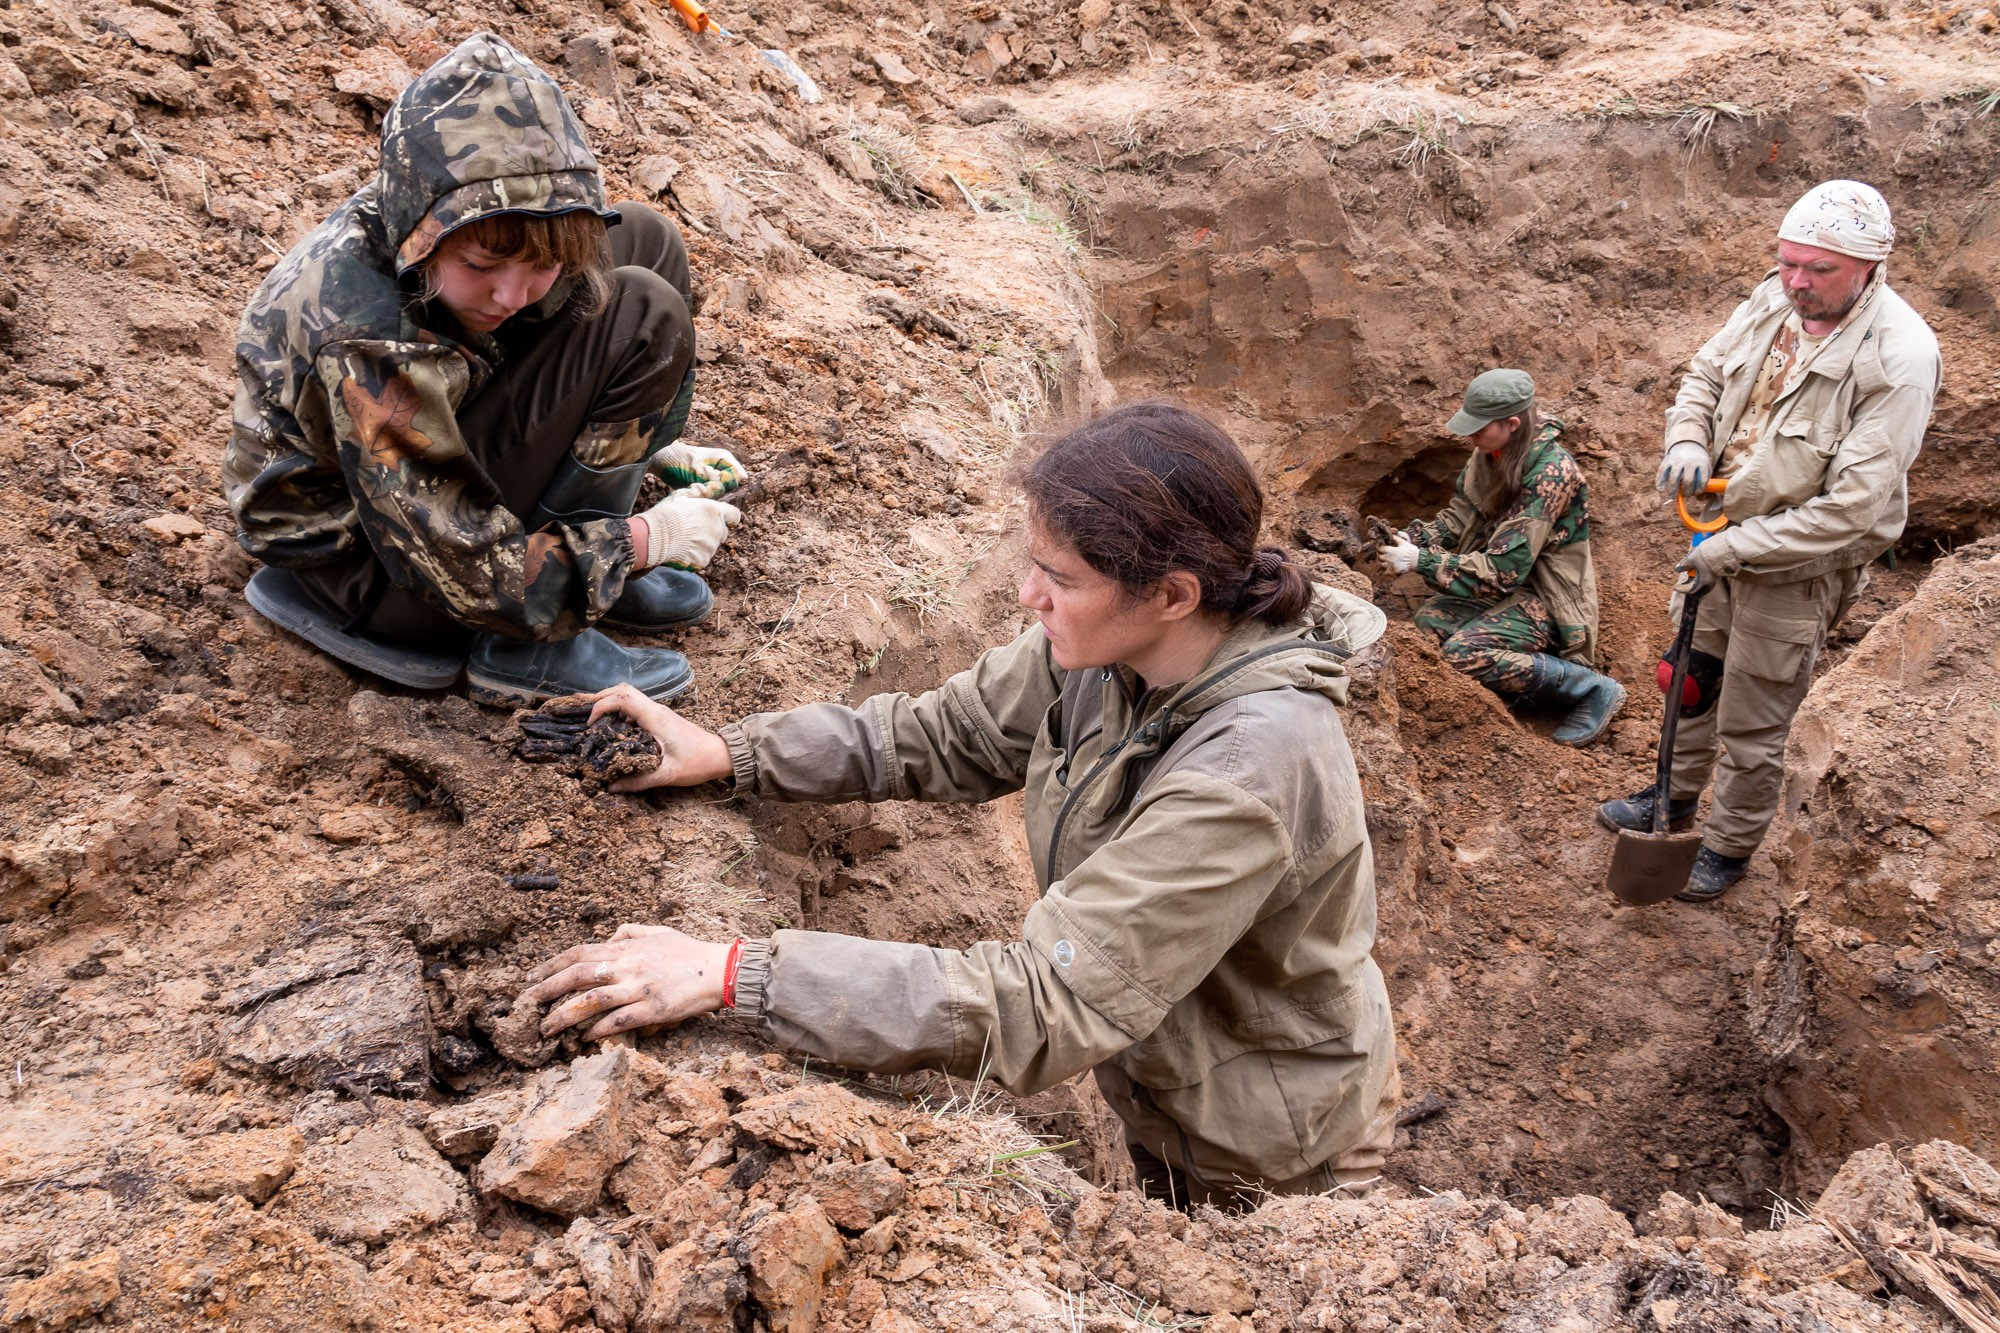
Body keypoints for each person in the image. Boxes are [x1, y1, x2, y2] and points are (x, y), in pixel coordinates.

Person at [520, 403, 1402, 1212]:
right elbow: (950, 732)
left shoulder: (1246, 771)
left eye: (1060, 577)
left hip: (1276, 1153)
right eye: (1033, 564)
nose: (1028, 596)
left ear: (1173, 593)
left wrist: (735, 972)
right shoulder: (1111, 649)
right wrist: (730, 751)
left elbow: (1045, 1000)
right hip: (1171, 1082)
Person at [224, 33, 745, 706]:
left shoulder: (439, 232)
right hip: (371, 568)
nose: (511, 295)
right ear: (424, 228)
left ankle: (580, 569)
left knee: (642, 239)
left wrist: (643, 442)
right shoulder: (369, 341)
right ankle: (529, 639)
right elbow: (467, 572)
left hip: (418, 462)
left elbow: (532, 267)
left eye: (541, 265)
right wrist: (645, 539)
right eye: (480, 265)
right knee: (645, 312)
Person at [1599, 180, 1941, 902]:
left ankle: (1728, 844)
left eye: (1819, 270)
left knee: (1755, 714)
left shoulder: (1899, 357)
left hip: (1797, 565)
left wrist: (1731, 548)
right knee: (1688, 680)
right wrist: (1687, 439)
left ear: (1869, 266)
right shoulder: (1773, 299)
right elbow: (1705, 373)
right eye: (1788, 263)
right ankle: (1672, 800)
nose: (1797, 282)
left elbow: (1851, 509)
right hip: (1720, 532)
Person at [1376, 369, 1623, 746]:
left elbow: (1503, 571)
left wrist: (1420, 561)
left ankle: (1590, 688)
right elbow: (1462, 515)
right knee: (1427, 625)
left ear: (1512, 424)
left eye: (1480, 427)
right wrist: (1414, 538)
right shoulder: (1490, 454)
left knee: (1462, 653)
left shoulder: (1551, 475)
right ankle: (1515, 682)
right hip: (1506, 589)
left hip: (1547, 597)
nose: (1471, 436)